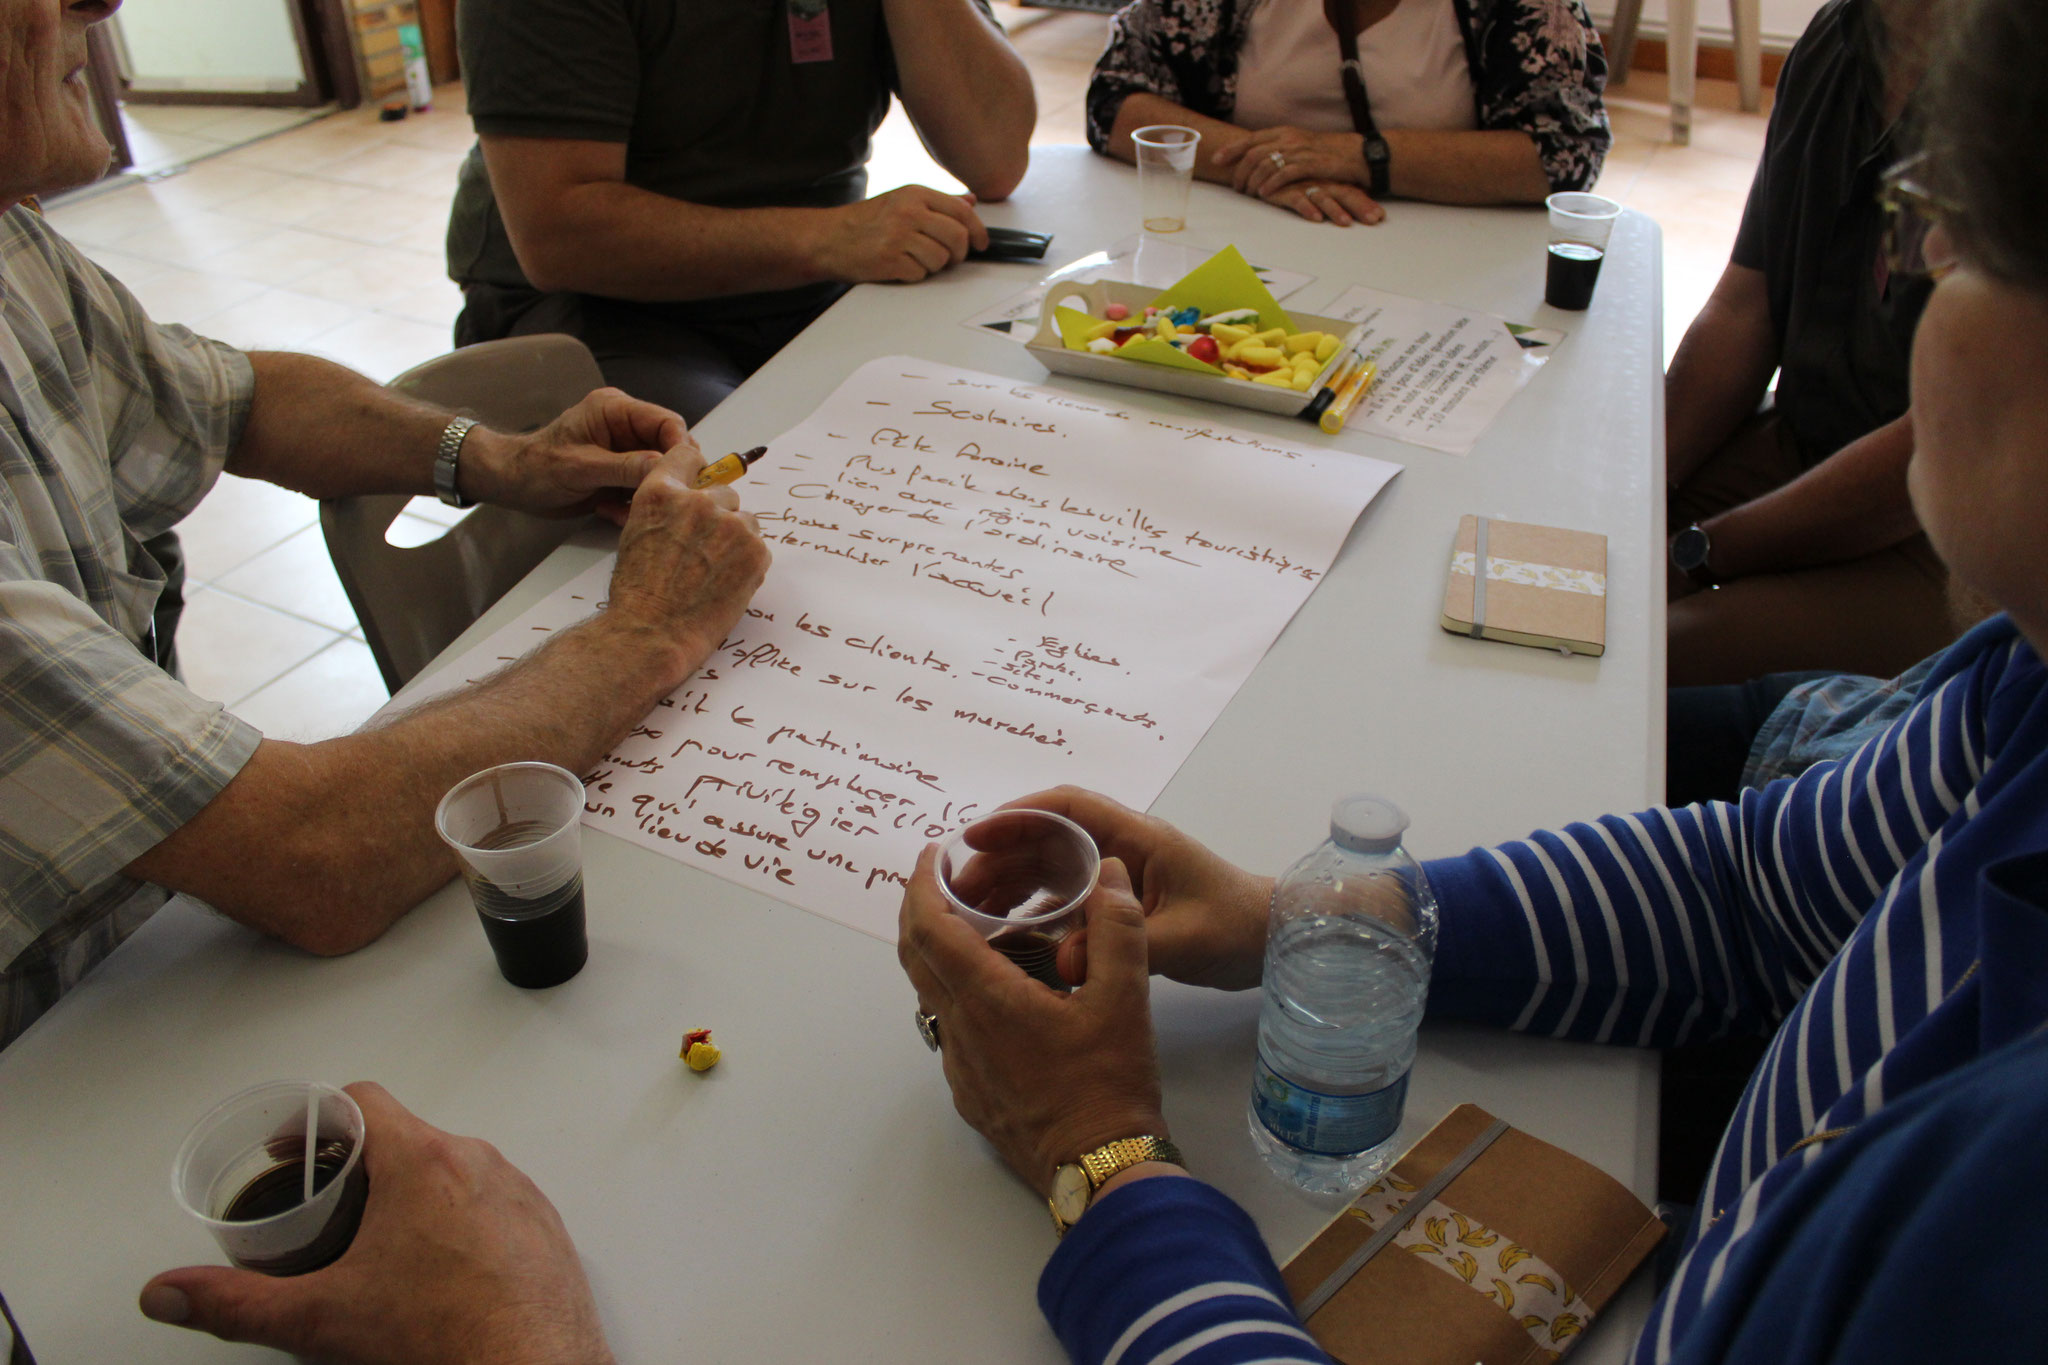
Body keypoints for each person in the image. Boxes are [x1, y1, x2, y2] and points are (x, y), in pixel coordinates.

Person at [897, 0, 2048, 1357]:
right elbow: (1753, 891)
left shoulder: (1996, 1213)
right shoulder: (2016, 689)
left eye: (1952, 225)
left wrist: (1103, 1157)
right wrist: (1301, 924)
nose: (1914, 261)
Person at [1, 0, 771, 1048]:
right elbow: (311, 858)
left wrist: (502, 459)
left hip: (158, 958)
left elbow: (228, 400)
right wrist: (648, 629)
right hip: (58, 1070)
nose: (101, 5)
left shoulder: (14, 243)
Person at [447, 0, 1035, 424]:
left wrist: (827, 245)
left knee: (992, 413)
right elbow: (561, 234)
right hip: (594, 307)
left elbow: (995, 157)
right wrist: (826, 239)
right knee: (747, 480)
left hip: (806, 284)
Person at [1663, 0, 1961, 686]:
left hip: (1944, 533)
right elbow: (1745, 307)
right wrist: (1644, 480)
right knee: (1579, 546)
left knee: (1654, 655)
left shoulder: (2014, 90)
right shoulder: (1838, 38)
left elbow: (1933, 446)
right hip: (1804, 441)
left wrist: (1703, 553)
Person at [1085, 0, 1609, 228]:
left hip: (1447, 257)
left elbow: (1564, 153)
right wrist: (1268, 170)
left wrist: (1358, 157)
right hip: (1255, 240)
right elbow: (1114, 101)